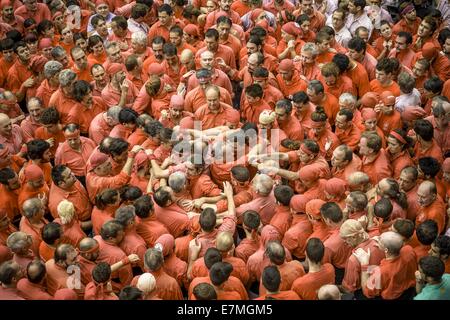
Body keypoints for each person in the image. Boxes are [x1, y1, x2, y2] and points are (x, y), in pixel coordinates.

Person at [353, 231, 417, 299]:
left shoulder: (381, 272)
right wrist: (383, 244)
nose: (377, 240)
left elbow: (367, 292)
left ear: (386, 250)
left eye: (379, 241)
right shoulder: (409, 250)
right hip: (410, 291)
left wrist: (364, 264)